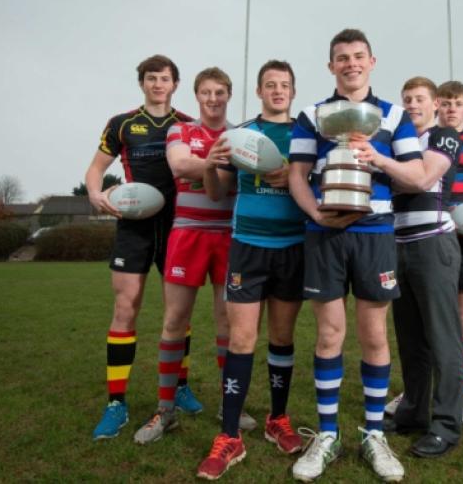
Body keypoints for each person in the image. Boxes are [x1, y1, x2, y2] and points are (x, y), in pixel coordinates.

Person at [288, 28, 424, 482]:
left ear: (372, 61)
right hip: (323, 235)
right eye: (341, 58)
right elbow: (297, 175)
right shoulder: (311, 115)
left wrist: (378, 159)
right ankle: (327, 434)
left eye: (358, 56)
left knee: (373, 336)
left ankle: (372, 433)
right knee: (329, 335)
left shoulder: (395, 115)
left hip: (375, 233)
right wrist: (317, 215)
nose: (350, 64)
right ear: (331, 66)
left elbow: (417, 175)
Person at [132, 66, 261, 445]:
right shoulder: (181, 129)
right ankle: (165, 409)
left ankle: (228, 404)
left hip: (228, 236)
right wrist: (211, 165)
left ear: (229, 95)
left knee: (227, 323)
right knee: (174, 320)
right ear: (197, 95)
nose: (213, 99)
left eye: (220, 92)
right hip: (187, 232)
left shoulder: (242, 136)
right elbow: (178, 164)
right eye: (206, 92)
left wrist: (204, 168)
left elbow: (226, 186)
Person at [194, 60, 306, 479]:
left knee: (282, 338)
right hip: (247, 248)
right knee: (241, 339)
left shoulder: (304, 134)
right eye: (270, 85)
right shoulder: (238, 135)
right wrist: (208, 165)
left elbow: (317, 186)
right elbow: (217, 190)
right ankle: (229, 437)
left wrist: (293, 181)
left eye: (285, 85)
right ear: (259, 91)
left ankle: (278, 420)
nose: (278, 91)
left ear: (292, 92)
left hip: (293, 247)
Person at [86, 54, 193, 440]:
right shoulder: (122, 124)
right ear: (142, 83)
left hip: (177, 227)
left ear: (175, 84)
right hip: (133, 227)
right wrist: (97, 196)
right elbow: (95, 169)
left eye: (164, 78)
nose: (157, 84)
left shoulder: (187, 125)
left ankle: (179, 387)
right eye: (151, 78)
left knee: (177, 310)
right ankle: (117, 403)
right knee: (124, 307)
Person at [384, 77, 463, 458]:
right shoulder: (400, 143)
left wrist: (387, 170)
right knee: (411, 339)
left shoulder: (443, 135)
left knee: (442, 338)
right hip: (399, 246)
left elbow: (423, 178)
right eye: (406, 99)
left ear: (435, 104)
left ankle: (447, 423)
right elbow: (394, 185)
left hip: (433, 244)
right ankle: (414, 412)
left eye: (419, 99)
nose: (412, 104)